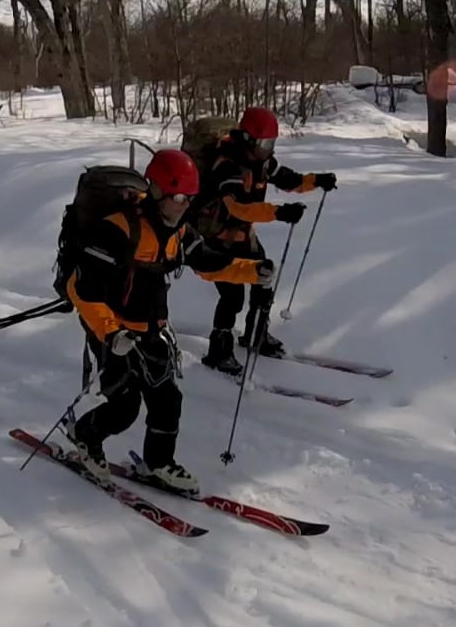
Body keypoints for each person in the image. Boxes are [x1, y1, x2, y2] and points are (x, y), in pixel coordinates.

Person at [63, 149, 274, 494]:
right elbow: (81, 289)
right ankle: (85, 436)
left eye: (189, 198)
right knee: (125, 406)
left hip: (151, 328)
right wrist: (110, 332)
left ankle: (158, 463)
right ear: (157, 192)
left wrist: (252, 271)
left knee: (167, 402)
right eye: (177, 197)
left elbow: (207, 262)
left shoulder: (177, 231)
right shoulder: (118, 229)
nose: (183, 205)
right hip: (111, 329)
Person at [191, 106, 336, 375]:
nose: (267, 149)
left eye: (271, 143)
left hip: (241, 235)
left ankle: (256, 333)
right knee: (232, 296)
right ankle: (218, 350)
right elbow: (238, 207)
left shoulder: (262, 162)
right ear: (246, 138)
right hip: (215, 238)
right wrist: (278, 212)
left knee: (264, 278)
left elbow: (289, 180)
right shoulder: (229, 165)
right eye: (263, 143)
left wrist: (317, 181)